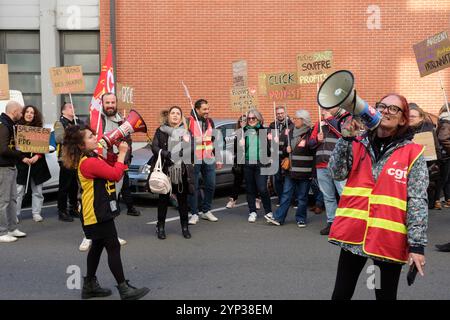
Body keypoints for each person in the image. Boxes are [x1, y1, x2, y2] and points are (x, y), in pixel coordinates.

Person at [328, 94, 428, 300]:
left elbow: (417, 200)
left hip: (387, 239)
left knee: (384, 296)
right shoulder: (356, 142)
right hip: (353, 235)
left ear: (402, 119)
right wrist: (345, 138)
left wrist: (417, 246)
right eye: (382, 106)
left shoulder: (413, 152)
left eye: (394, 109)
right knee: (341, 294)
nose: (386, 111)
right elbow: (336, 172)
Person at [61, 124, 149, 300]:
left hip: (97, 209)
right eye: (90, 136)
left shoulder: (92, 156)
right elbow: (115, 174)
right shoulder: (89, 162)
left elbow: (110, 164)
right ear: (81, 145)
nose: (95, 137)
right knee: (113, 246)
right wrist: (123, 153)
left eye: (94, 134)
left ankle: (89, 286)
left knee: (98, 246)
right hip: (96, 211)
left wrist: (112, 149)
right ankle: (124, 289)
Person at [149, 106, 194, 239]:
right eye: (172, 113)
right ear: (168, 116)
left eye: (178, 113)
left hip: (181, 170)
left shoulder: (186, 131)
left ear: (181, 117)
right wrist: (166, 153)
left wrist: (181, 152)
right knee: (163, 200)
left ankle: (185, 227)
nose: (175, 115)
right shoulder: (161, 130)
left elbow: (191, 148)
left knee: (182, 201)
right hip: (165, 169)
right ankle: (161, 227)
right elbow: (154, 147)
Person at [265, 110, 314, 227]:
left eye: (297, 118)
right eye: (294, 118)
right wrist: (284, 151)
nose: (294, 120)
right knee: (286, 195)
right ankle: (278, 218)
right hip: (290, 171)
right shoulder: (290, 132)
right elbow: (282, 150)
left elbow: (313, 148)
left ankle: (301, 219)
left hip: (304, 172)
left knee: (302, 197)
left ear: (304, 120)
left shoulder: (310, 134)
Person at [309, 107, 350, 235]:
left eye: (326, 109)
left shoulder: (339, 122)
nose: (323, 111)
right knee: (328, 197)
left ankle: (347, 223)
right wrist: (317, 140)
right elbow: (310, 143)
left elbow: (344, 135)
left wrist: (330, 120)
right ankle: (331, 223)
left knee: (343, 195)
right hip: (321, 165)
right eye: (322, 109)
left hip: (337, 165)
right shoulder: (318, 124)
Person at [188, 99, 223, 225]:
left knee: (211, 184)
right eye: (204, 109)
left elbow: (214, 141)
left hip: (208, 158)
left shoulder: (210, 122)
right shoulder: (189, 122)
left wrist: (218, 157)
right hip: (194, 159)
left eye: (208, 109)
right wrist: (194, 140)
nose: (207, 111)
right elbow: (183, 139)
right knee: (194, 187)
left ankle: (206, 210)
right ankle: (194, 213)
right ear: (197, 110)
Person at [15, 105, 51, 222]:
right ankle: (15, 214)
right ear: (23, 113)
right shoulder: (16, 128)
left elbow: (43, 148)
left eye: (32, 112)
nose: (29, 114)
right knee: (19, 190)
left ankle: (36, 213)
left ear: (35, 115)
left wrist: (37, 156)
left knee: (38, 191)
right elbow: (14, 148)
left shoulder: (39, 129)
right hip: (22, 164)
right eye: (27, 112)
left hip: (37, 164)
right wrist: (22, 158)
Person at [0, 101, 27, 243]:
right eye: (21, 112)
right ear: (15, 111)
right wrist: (18, 153)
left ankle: (11, 228)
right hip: (3, 167)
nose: (21, 114)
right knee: (4, 201)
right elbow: (3, 149)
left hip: (10, 166)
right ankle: (2, 231)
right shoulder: (3, 125)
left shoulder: (8, 124)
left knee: (11, 199)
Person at [409, 103, 442, 210]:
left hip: (426, 166)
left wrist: (437, 163)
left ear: (421, 118)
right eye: (408, 116)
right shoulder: (402, 130)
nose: (410, 118)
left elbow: (435, 147)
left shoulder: (428, 129)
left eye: (413, 116)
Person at [225, 115, 262, 209]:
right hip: (240, 160)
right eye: (241, 121)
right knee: (237, 180)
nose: (243, 122)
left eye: (245, 121)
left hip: (251, 159)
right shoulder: (237, 133)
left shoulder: (253, 132)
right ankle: (233, 199)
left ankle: (257, 199)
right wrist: (238, 143)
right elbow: (230, 147)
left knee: (254, 181)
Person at [242, 108, 273, 222]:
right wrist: (239, 143)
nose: (250, 120)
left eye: (253, 118)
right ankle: (252, 212)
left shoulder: (264, 130)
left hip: (261, 162)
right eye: (249, 118)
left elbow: (271, 146)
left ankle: (268, 211)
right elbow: (235, 148)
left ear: (258, 119)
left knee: (262, 188)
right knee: (250, 189)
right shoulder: (243, 131)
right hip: (248, 162)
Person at [54, 102, 83, 222]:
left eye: (73, 106)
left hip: (77, 157)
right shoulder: (60, 123)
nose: (73, 109)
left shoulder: (78, 122)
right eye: (70, 107)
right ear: (63, 111)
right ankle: (62, 211)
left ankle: (73, 208)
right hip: (66, 158)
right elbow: (59, 138)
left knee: (74, 186)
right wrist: (73, 131)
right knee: (64, 186)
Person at [269, 106, 294, 206]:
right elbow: (268, 139)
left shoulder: (291, 125)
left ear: (285, 113)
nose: (280, 115)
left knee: (289, 178)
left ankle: (292, 199)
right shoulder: (272, 125)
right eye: (278, 113)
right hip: (275, 156)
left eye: (282, 113)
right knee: (277, 178)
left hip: (287, 155)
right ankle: (281, 199)